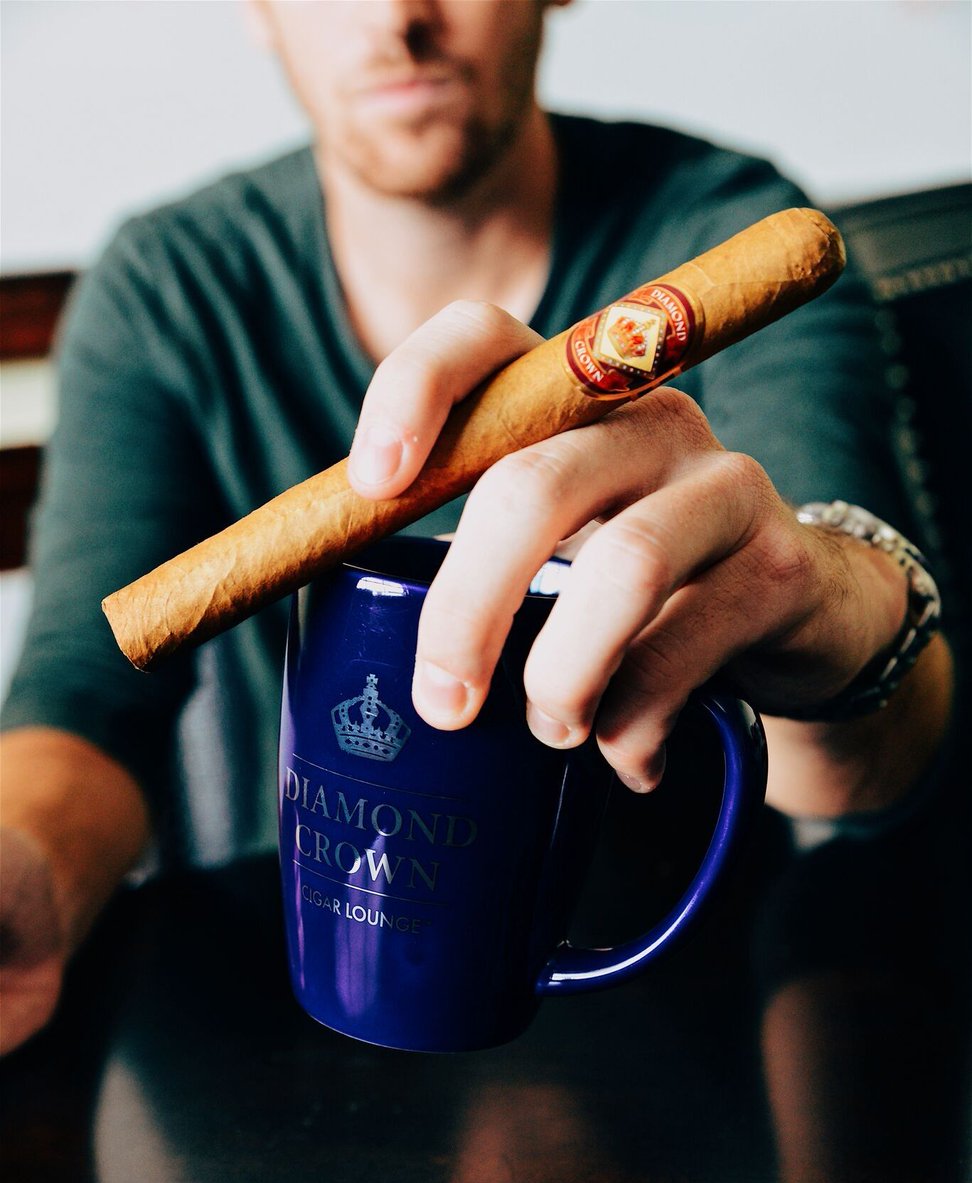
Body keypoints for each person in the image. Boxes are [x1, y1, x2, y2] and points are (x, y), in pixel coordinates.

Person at [0, 0, 954, 1056]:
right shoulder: (167, 285)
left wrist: (824, 605)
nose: (399, 18)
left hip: (670, 1034)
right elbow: (82, 701)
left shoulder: (726, 229)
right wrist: (25, 870)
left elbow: (876, 771)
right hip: (271, 1042)